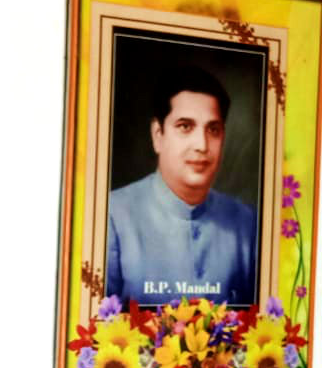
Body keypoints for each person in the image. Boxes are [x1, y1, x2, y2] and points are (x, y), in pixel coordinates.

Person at [106, 64, 258, 308]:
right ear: (158, 135)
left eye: (213, 129)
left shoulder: (248, 224)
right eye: (185, 127)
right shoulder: (112, 216)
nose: (202, 144)